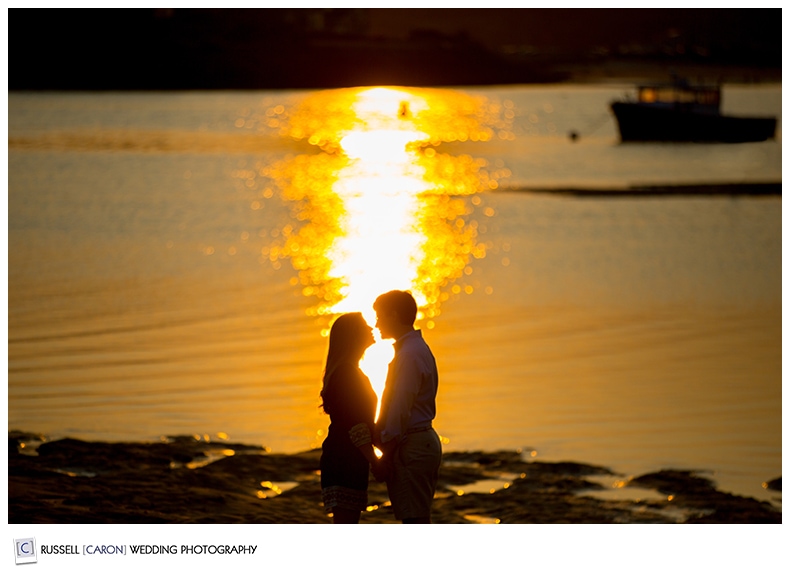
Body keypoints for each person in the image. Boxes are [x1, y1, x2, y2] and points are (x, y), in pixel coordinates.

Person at [373, 290, 442, 523]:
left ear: (393, 315)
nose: (377, 323)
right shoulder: (413, 349)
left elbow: (400, 408)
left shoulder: (410, 354)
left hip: (412, 445)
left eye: (380, 316)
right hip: (417, 443)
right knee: (416, 517)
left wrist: (386, 453)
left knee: (414, 519)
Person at [319, 312, 381, 524]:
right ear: (353, 335)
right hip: (344, 459)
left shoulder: (348, 371)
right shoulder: (347, 374)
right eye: (365, 325)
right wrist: (375, 461)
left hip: (347, 457)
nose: (371, 328)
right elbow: (355, 424)